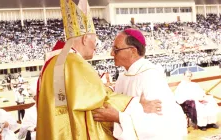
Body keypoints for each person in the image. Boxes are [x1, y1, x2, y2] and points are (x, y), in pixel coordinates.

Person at [36, 0, 161, 139]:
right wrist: (138, 106)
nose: (97, 44)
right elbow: (99, 100)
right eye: (95, 39)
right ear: (84, 39)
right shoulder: (74, 63)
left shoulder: (57, 60)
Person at [93, 28, 187, 140]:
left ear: (132, 51)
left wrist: (119, 117)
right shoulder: (122, 77)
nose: (111, 53)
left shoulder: (150, 76)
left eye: (116, 49)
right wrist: (138, 106)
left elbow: (158, 123)